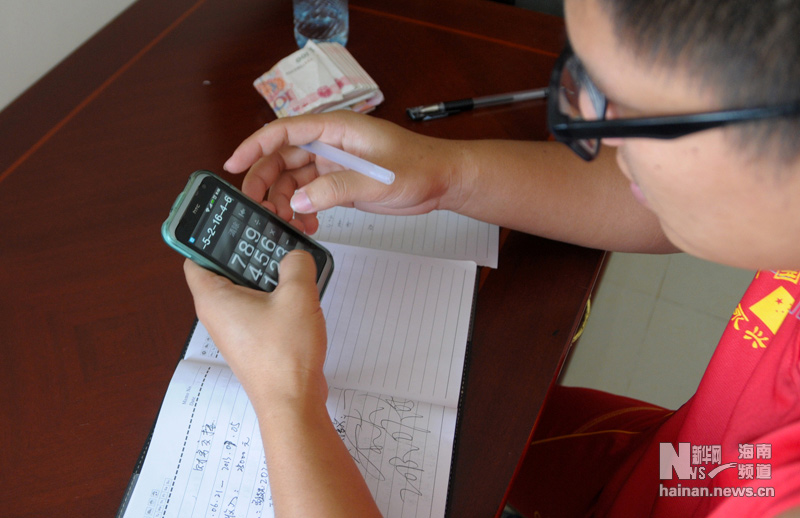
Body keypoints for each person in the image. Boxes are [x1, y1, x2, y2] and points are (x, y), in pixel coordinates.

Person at [183, 0, 800, 515]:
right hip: (686, 466)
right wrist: (446, 174)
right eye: (583, 78)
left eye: (626, 108)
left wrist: (286, 396)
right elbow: (665, 204)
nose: (590, 129)